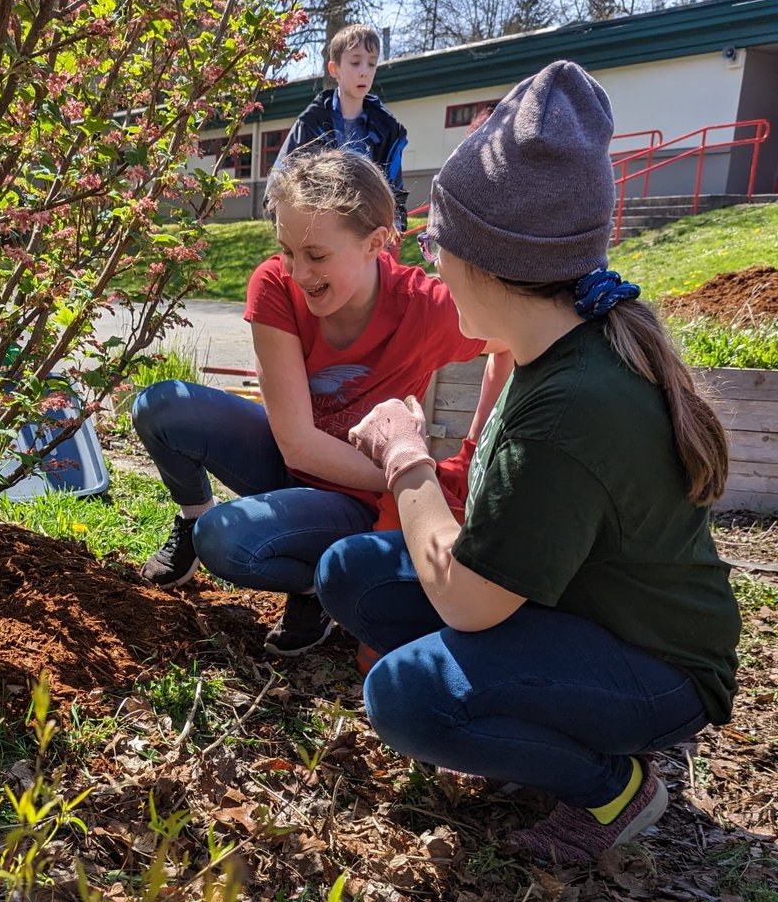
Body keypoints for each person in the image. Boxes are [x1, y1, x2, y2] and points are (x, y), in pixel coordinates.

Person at [314, 61, 741, 866]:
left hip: (655, 663)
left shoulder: (570, 406)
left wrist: (406, 460)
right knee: (353, 574)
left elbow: (472, 604)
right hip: (578, 613)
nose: (432, 265)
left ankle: (614, 786)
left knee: (405, 698)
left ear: (480, 260)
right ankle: (525, 726)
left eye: (438, 244)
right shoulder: (549, 341)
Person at [132, 149, 511, 656]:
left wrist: (453, 464)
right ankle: (192, 513)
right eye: (287, 249)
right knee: (161, 406)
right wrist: (417, 476)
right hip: (295, 455)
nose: (297, 270)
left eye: (316, 255)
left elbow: (507, 344)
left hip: (359, 491)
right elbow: (297, 445)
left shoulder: (426, 307)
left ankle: (312, 587)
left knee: (226, 542)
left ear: (376, 242)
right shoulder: (275, 283)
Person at [266, 24, 409, 232]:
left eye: (372, 64)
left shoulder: (388, 131)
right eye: (355, 62)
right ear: (334, 69)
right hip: (316, 237)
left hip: (366, 242)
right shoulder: (311, 124)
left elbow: (394, 193)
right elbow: (278, 186)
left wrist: (394, 231)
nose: (364, 72)